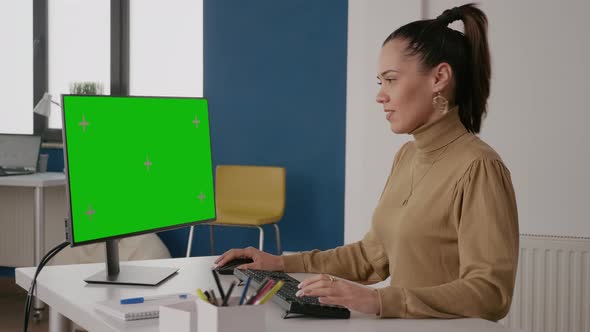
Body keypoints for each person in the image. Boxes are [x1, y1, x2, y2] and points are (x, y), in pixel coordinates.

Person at [214, 3, 518, 320]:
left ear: (439, 77)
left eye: (391, 79)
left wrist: (378, 301)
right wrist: (279, 262)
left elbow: (490, 293)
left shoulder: (479, 167)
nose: (380, 95)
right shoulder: (408, 155)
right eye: (380, 82)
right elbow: (370, 257)